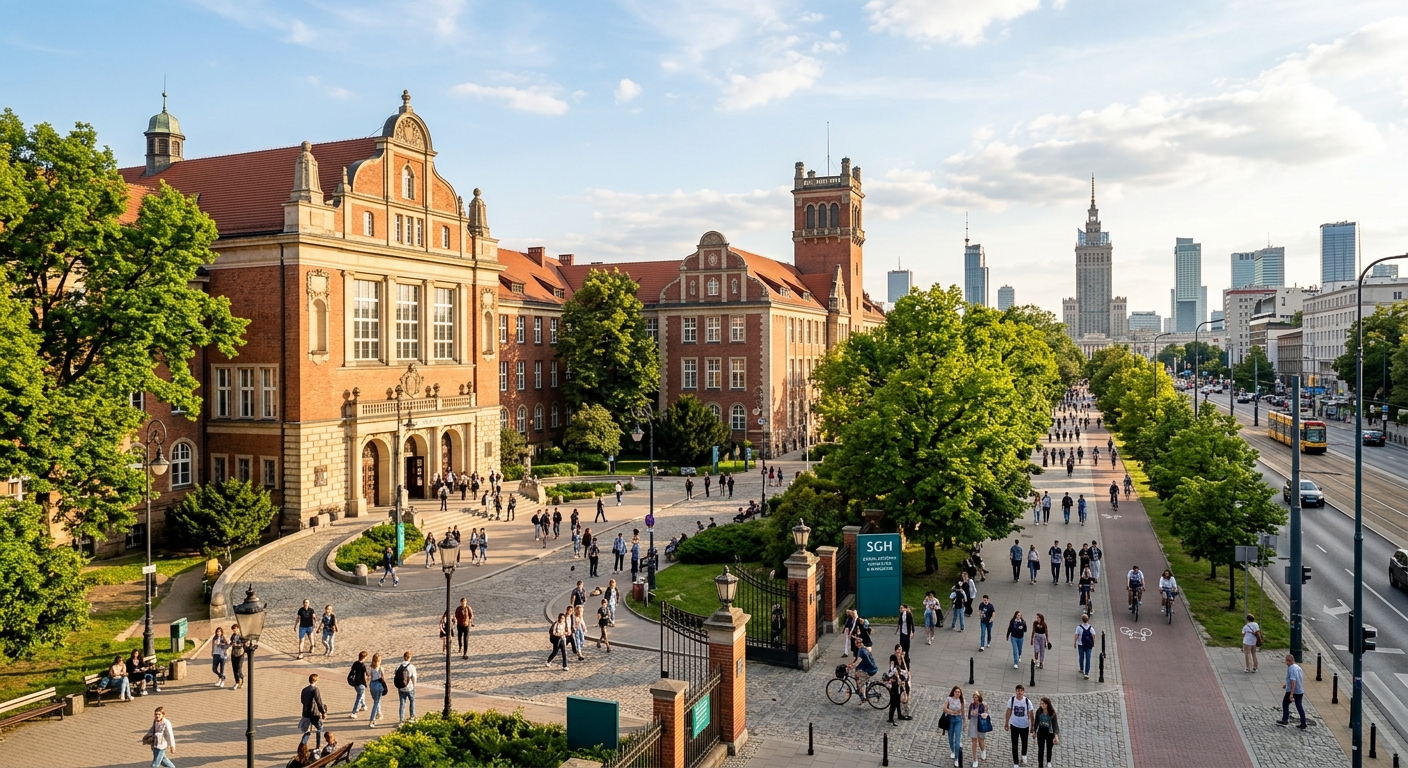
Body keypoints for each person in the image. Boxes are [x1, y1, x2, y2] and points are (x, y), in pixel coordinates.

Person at [1004, 685, 1032, 768]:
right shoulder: (1012, 700)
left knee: (1024, 741)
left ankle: (1024, 754)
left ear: (1023, 691)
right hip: (1014, 725)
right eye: (1018, 690)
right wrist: (1006, 722)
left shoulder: (1027, 701)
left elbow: (1031, 713)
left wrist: (1033, 725)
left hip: (1024, 726)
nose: (1019, 692)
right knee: (1014, 744)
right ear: (1015, 691)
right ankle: (1015, 762)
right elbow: (1008, 711)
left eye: (1021, 691)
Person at [1278, 654, 1308, 729]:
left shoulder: (1291, 669)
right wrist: (1286, 684)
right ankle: (1303, 722)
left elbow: (1293, 681)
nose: (1285, 662)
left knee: (1285, 703)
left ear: (1288, 661)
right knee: (1299, 706)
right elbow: (1296, 679)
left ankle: (1285, 719)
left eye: (1286, 660)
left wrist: (1291, 693)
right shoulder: (1298, 667)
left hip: (1293, 690)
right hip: (1300, 690)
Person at [299, 673, 327, 748]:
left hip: (306, 713)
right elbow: (319, 702)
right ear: (316, 681)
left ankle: (302, 745)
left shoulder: (304, 690)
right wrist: (323, 712)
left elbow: (302, 700)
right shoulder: (315, 690)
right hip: (314, 713)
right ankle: (318, 746)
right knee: (319, 728)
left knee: (308, 731)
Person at [1033, 697, 1060, 767]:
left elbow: (1055, 725)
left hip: (1049, 732)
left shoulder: (1052, 713)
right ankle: (1040, 765)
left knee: (1049, 748)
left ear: (1047, 704)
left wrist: (1056, 736)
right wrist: (1034, 731)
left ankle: (1048, 761)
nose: (1042, 705)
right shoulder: (1039, 711)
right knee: (1040, 749)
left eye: (1043, 704)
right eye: (1041, 703)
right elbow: (1036, 722)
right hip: (1041, 731)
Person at [967, 691, 991, 767]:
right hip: (973, 722)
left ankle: (983, 750)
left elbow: (986, 714)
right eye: (973, 697)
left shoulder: (983, 704)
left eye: (976, 697)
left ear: (979, 697)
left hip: (981, 722)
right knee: (974, 741)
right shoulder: (972, 704)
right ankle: (975, 760)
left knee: (981, 739)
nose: (974, 699)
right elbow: (969, 714)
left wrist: (978, 714)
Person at [943, 686, 965, 765]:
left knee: (957, 740)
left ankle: (957, 758)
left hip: (958, 720)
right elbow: (944, 709)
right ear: (953, 692)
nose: (957, 693)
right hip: (950, 719)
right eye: (956, 692)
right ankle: (952, 750)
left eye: (959, 692)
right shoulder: (949, 699)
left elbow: (963, 711)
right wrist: (952, 711)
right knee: (950, 737)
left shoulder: (961, 700)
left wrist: (964, 722)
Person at [394, 652, 417, 723]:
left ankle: (401, 719)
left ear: (404, 657)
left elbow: (396, 675)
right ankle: (412, 716)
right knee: (412, 701)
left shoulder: (398, 666)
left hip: (401, 688)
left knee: (402, 704)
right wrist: (414, 685)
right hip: (409, 687)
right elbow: (414, 678)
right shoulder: (412, 667)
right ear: (410, 658)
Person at [1074, 614, 1096, 679]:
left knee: (1081, 657)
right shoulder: (1091, 628)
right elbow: (1093, 636)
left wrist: (1075, 642)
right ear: (1088, 619)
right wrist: (1093, 643)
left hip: (1081, 644)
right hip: (1089, 645)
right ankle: (1086, 673)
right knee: (1088, 659)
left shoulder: (1079, 627)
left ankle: (1081, 668)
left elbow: (1076, 635)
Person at [366, 653, 386, 726]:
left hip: (372, 685)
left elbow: (368, 677)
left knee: (376, 700)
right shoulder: (380, 668)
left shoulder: (370, 668)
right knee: (376, 702)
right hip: (379, 684)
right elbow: (383, 677)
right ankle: (372, 719)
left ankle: (379, 713)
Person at [348, 651, 369, 718]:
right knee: (359, 698)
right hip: (361, 683)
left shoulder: (355, 663)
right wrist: (366, 684)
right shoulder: (363, 666)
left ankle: (363, 705)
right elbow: (364, 676)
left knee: (362, 694)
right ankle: (354, 712)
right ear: (364, 657)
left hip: (355, 683)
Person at [228, 625, 245, 690]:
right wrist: (229, 643)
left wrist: (237, 645)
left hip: (240, 653)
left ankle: (242, 681)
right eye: (233, 629)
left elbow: (243, 644)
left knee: (239, 669)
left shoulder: (241, 635)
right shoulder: (233, 635)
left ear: (238, 629)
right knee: (234, 669)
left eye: (235, 629)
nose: (234, 630)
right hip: (234, 654)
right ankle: (237, 682)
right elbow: (231, 642)